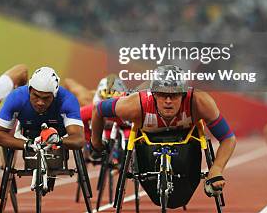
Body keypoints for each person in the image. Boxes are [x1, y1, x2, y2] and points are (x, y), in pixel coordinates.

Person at [91, 65, 236, 196]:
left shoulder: (200, 102)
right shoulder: (134, 104)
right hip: (147, 142)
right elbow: (98, 109)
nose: (168, 100)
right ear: (153, 94)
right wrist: (96, 143)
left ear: (184, 94)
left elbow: (228, 138)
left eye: (174, 95)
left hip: (187, 142)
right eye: (162, 94)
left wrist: (216, 169)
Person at [0, 66, 84, 152]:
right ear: (29, 90)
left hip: (58, 133)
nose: (40, 102)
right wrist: (26, 144)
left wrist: (58, 140)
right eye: (36, 95)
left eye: (46, 98)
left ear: (54, 95)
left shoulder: (68, 100)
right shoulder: (16, 98)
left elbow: (78, 140)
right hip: (29, 132)